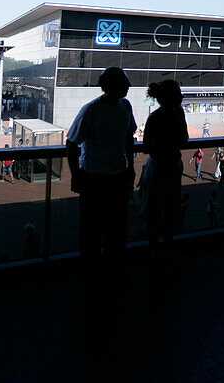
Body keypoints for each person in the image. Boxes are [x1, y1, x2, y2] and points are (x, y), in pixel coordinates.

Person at [66, 67, 137, 276]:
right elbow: (72, 144)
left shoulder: (125, 106)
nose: (128, 87)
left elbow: (127, 138)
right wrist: (77, 175)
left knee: (114, 229)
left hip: (115, 177)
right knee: (94, 230)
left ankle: (106, 272)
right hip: (94, 179)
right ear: (111, 86)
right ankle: (97, 273)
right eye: (124, 84)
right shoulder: (91, 110)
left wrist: (130, 168)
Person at [141, 79, 188, 264]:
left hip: (163, 164)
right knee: (165, 209)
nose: (182, 96)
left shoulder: (157, 117)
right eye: (178, 93)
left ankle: (159, 253)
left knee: (161, 209)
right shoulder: (176, 114)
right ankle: (164, 252)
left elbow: (147, 146)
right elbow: (183, 139)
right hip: (167, 165)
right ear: (170, 97)